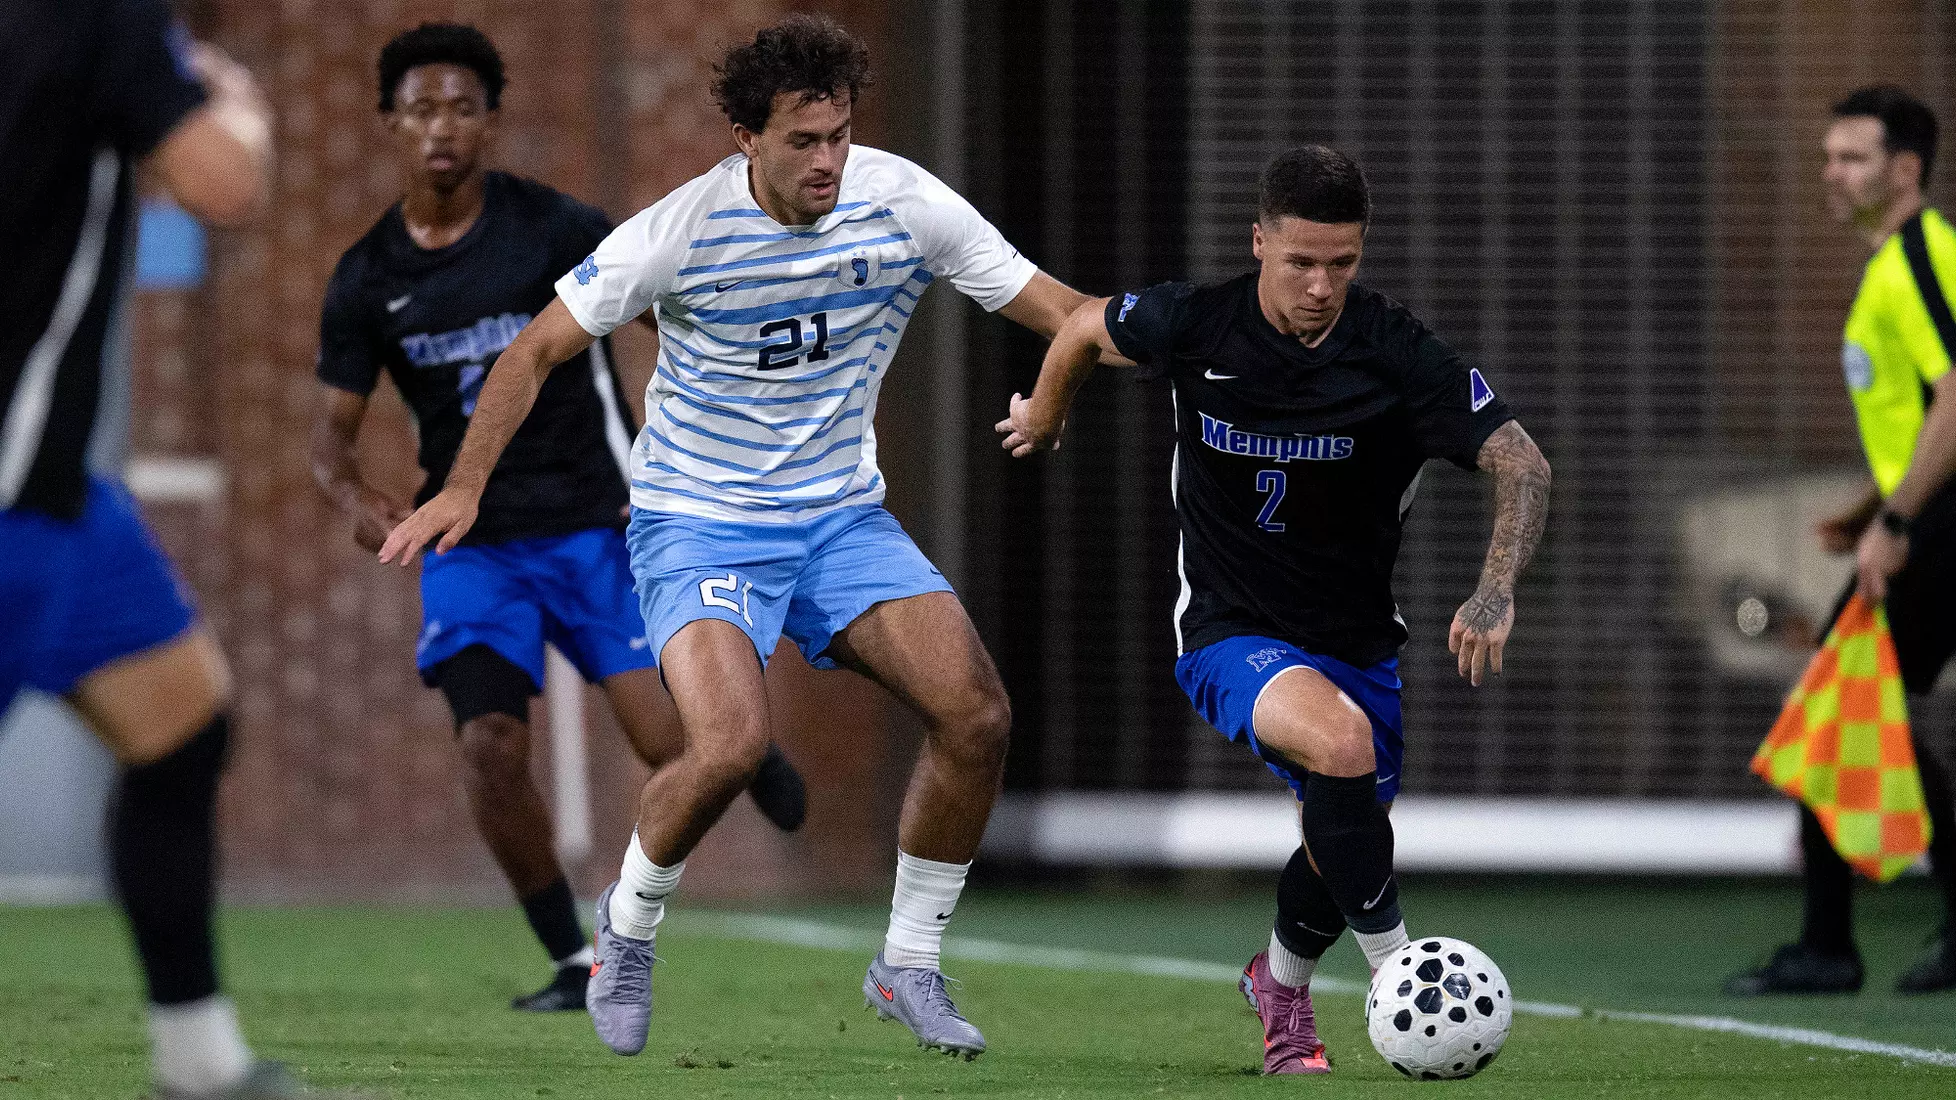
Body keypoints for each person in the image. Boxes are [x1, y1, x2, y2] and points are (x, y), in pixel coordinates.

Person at [380, 13, 1108, 1061]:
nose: (828, 161)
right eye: (803, 142)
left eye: (840, 136)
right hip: (696, 525)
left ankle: (907, 961)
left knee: (977, 712)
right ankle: (626, 931)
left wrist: (1115, 370)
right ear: (745, 139)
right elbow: (534, 352)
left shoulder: (902, 202)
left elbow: (1069, 311)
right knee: (728, 744)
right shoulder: (676, 231)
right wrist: (462, 487)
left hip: (841, 520)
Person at [997, 145, 1551, 1074]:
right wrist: (1047, 416)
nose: (1322, 286)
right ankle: (1404, 978)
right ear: (1259, 242)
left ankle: (1279, 987)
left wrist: (1495, 589)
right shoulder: (1197, 322)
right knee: (1340, 752)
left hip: (1357, 641)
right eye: (1301, 262)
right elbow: (1085, 327)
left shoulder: (1397, 353)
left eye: (1343, 264)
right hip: (1226, 627)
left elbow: (1522, 462)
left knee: (1345, 837)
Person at [309, 22, 808, 1013]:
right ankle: (573, 958)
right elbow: (328, 444)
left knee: (676, 745)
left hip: (595, 525)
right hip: (472, 545)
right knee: (489, 746)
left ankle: (738, 742)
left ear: (490, 121)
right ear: (390, 126)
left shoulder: (555, 230)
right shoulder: (366, 279)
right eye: (420, 109)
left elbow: (674, 310)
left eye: (461, 106)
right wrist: (356, 497)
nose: (441, 126)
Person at [0, 3, 342, 1097]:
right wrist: (231, 97)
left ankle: (199, 1064)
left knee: (182, 720)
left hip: (59, 494)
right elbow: (220, 180)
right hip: (8, 489)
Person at [1725, 85, 1956, 997]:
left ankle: (1828, 945)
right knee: (1863, 712)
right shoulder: (1892, 266)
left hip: (1942, 525)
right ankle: (1834, 939)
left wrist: (1896, 524)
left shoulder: (1920, 260)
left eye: (1852, 157)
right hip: (1926, 516)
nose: (1833, 172)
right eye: (1829, 156)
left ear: (1906, 171)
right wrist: (1872, 506)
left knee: (1843, 710)